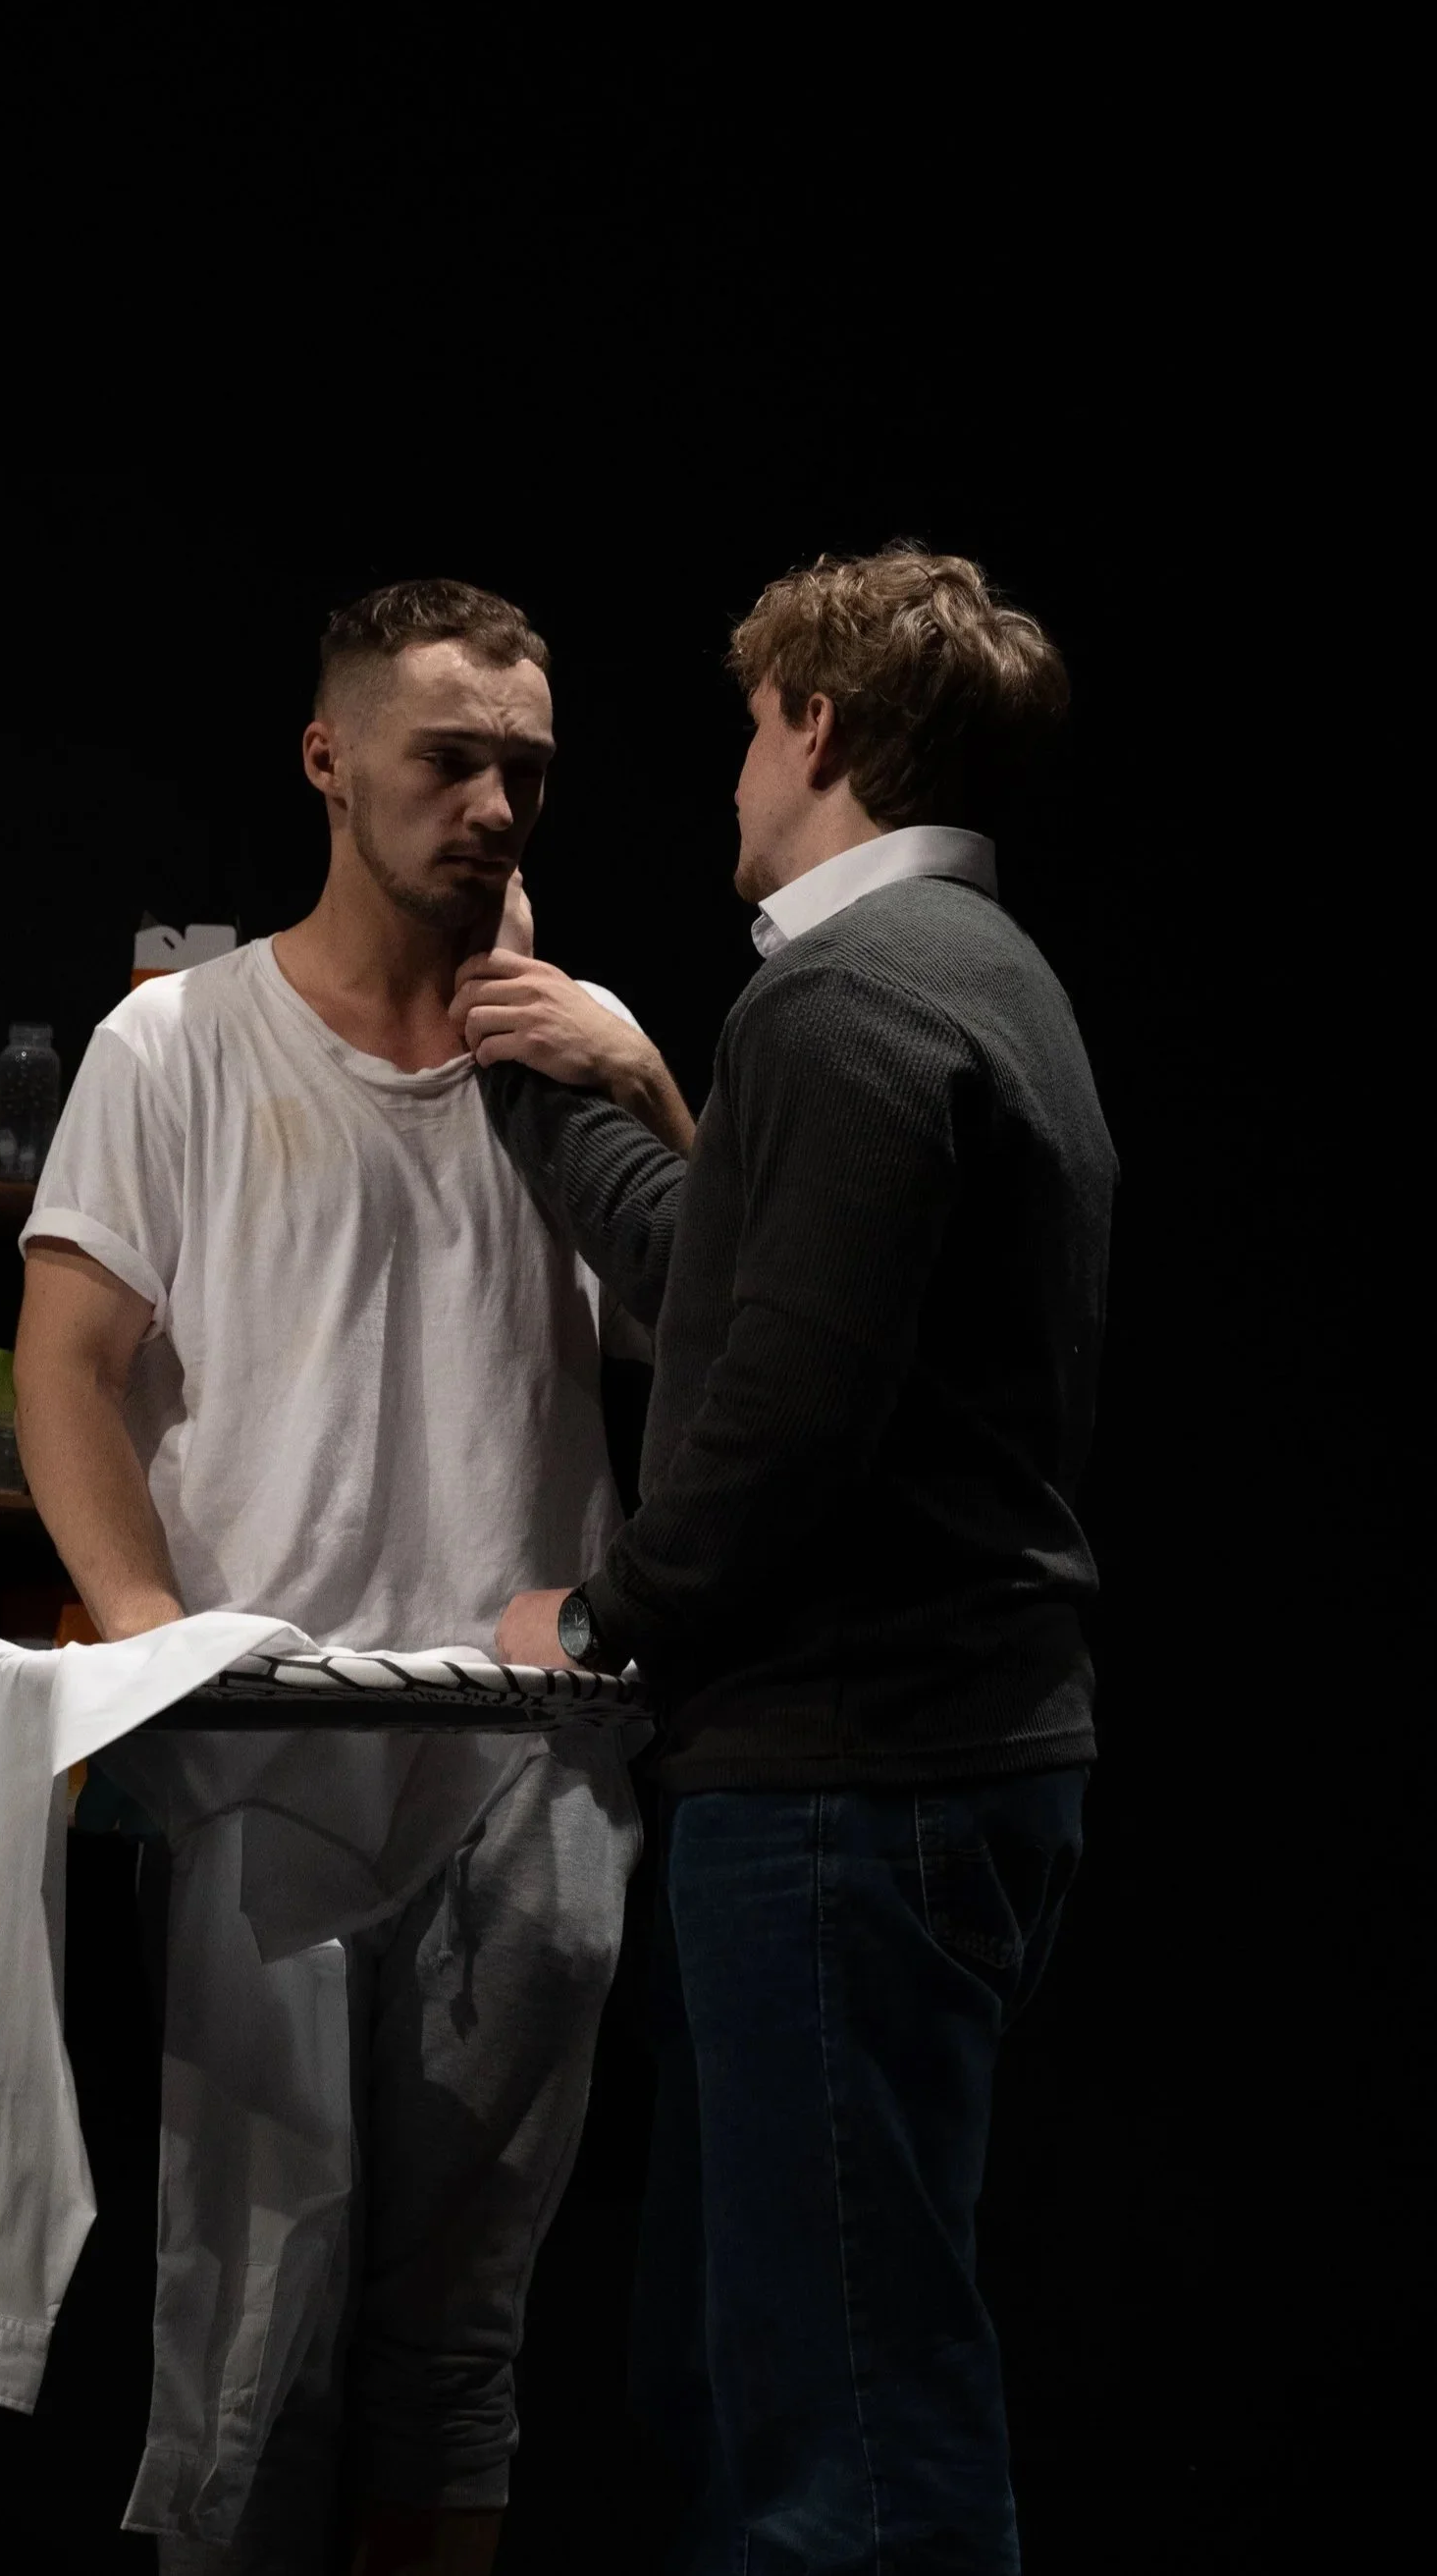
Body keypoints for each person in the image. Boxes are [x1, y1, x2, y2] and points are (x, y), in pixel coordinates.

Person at [455, 546, 1113, 2575]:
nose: (731, 772)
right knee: (781, 2385)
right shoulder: (973, 981)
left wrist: (603, 1614)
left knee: (843, 2433)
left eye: (750, 727)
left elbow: (774, 1429)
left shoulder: (848, 998)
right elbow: (735, 1296)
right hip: (934, 1768)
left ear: (815, 729)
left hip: (852, 1781)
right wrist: (537, 1079)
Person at [14, 577, 673, 2576]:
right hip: (267, 1755)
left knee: (452, 2342)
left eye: (527, 773)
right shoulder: (176, 1044)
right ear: (329, 760)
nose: (493, 809)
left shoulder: (558, 1062)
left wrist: (642, 1088)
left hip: (516, 1756)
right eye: (450, 760)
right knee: (245, 2349)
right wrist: (138, 1625)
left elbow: (740, 1346)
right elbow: (66, 1358)